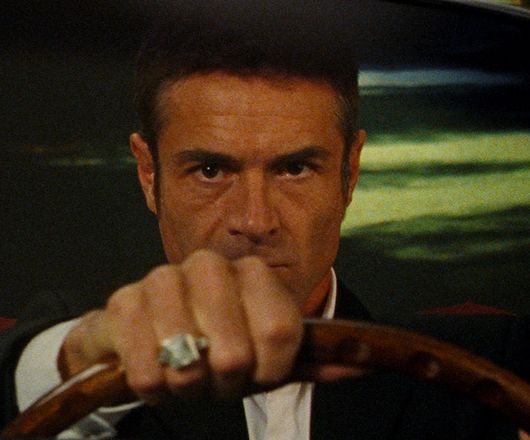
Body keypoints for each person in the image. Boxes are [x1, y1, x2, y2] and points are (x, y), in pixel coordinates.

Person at [1, 20, 528, 440]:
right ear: (148, 173)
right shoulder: (76, 349)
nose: (255, 221)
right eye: (210, 170)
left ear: (349, 173)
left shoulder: (487, 368)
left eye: (295, 168)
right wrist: (82, 360)